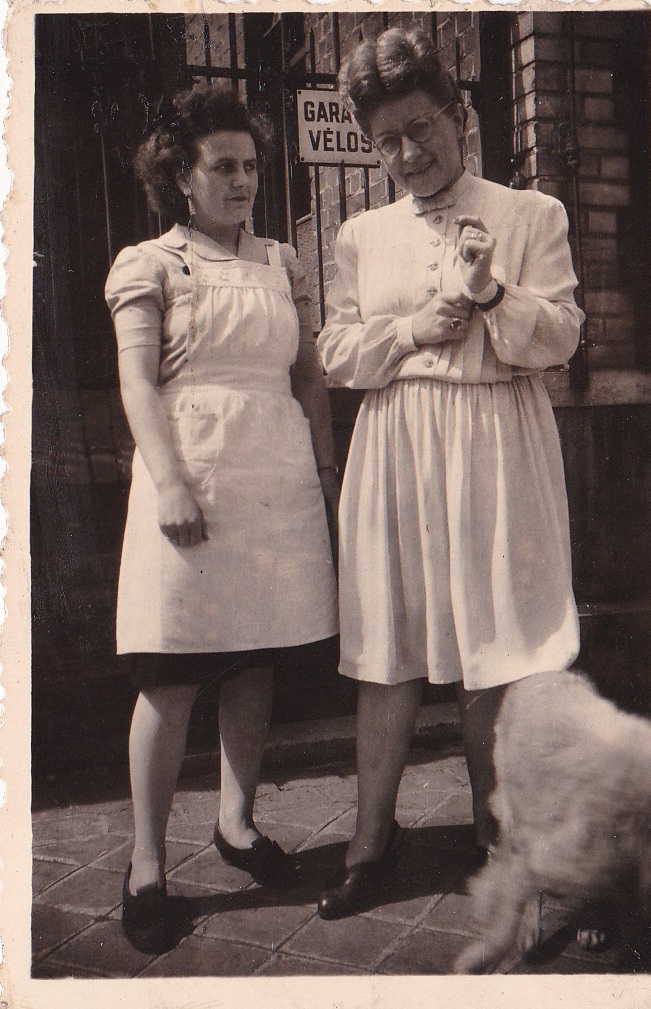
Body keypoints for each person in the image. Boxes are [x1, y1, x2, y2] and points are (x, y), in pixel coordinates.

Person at [316, 27, 584, 920]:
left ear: (460, 116)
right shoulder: (361, 232)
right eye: (386, 140)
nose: (407, 153)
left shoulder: (529, 214)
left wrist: (492, 296)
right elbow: (338, 352)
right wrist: (413, 330)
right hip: (397, 445)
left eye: (422, 128)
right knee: (387, 648)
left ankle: (495, 833)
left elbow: (563, 339)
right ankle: (369, 837)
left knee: (495, 652)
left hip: (496, 441)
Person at [105, 81, 339, 952]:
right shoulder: (150, 263)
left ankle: (236, 825)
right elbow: (137, 382)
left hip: (274, 479)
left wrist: (323, 466)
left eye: (251, 164)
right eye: (224, 165)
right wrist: (169, 481)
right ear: (182, 174)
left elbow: (308, 372)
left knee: (255, 659)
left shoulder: (280, 260)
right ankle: (144, 863)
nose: (242, 179)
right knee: (170, 676)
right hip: (191, 478)